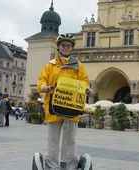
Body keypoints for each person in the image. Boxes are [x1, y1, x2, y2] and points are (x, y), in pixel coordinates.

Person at [37, 34, 92, 170]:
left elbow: (84, 81)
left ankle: (71, 167)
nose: (66, 48)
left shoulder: (78, 65)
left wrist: (87, 89)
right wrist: (43, 87)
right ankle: (52, 167)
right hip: (53, 108)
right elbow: (41, 80)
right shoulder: (50, 65)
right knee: (53, 139)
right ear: (59, 47)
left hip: (72, 108)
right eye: (63, 45)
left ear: (72, 48)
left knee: (70, 140)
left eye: (69, 45)